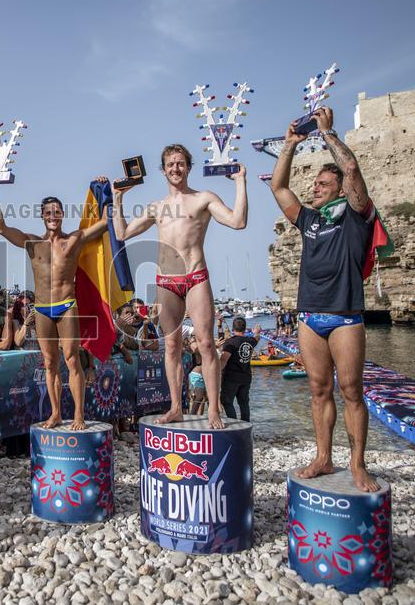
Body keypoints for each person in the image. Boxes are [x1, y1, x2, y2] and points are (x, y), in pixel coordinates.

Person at [269, 106, 379, 492]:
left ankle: (358, 464)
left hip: (345, 315)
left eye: (321, 184)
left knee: (351, 389)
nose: (314, 188)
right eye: (314, 183)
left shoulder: (354, 215)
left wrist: (328, 134)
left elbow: (351, 172)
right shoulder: (310, 221)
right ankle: (323, 457)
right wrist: (290, 145)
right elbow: (279, 189)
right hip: (309, 315)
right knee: (318, 389)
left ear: (339, 190)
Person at [113, 147, 248, 428]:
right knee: (171, 346)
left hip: (196, 276)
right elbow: (122, 233)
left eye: (181, 164)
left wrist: (240, 182)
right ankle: (175, 407)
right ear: (163, 170)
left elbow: (238, 222)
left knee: (207, 343)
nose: (175, 168)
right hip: (166, 281)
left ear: (188, 167)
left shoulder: (203, 198)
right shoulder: (156, 206)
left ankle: (213, 410)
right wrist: (117, 199)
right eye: (170, 164)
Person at [0, 175, 110, 430]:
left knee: (72, 359)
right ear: (42, 216)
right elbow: (1, 229)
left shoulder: (73, 239)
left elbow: (106, 223)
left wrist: (107, 191)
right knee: (50, 363)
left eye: (56, 211)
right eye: (48, 212)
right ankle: (54, 413)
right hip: (41, 308)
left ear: (62, 214)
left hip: (66, 305)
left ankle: (78, 415)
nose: (53, 216)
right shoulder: (33, 243)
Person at [219, 318, 260, 421]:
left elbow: (224, 359)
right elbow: (256, 338)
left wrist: (216, 372)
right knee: (244, 403)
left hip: (231, 378)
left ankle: (235, 425)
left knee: (227, 402)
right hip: (246, 377)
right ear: (245, 328)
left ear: (233, 328)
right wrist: (256, 332)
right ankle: (246, 425)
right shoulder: (250, 341)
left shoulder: (230, 342)